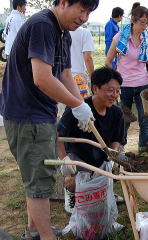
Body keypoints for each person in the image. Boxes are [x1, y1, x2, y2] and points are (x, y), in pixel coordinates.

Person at [0, 0, 99, 239]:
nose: (84, 17)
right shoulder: (43, 26)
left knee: (37, 177)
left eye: (88, 12)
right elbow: (42, 78)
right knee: (39, 182)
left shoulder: (63, 33)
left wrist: (82, 105)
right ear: (63, 2)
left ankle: (34, 231)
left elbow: (64, 74)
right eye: (82, 9)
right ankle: (46, 236)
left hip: (40, 113)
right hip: (27, 116)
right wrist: (76, 105)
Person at [57, 66, 124, 230]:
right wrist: (64, 159)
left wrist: (114, 154)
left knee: (117, 165)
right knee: (75, 177)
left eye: (117, 91)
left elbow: (117, 140)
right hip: (78, 157)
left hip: (101, 157)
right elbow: (58, 135)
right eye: (110, 90)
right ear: (95, 88)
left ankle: (104, 195)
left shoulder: (116, 113)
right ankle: (71, 191)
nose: (114, 95)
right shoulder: (79, 109)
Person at [105, 2, 148, 151]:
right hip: (124, 85)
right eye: (142, 22)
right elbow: (108, 61)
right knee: (123, 120)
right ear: (133, 20)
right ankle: (120, 150)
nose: (145, 26)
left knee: (144, 119)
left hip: (142, 84)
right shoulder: (120, 37)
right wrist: (115, 80)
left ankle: (144, 151)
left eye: (147, 23)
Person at [70, 26, 95, 98]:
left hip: (60, 78)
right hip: (78, 78)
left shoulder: (59, 31)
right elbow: (88, 58)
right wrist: (93, 79)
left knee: (63, 107)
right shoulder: (84, 33)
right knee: (81, 107)